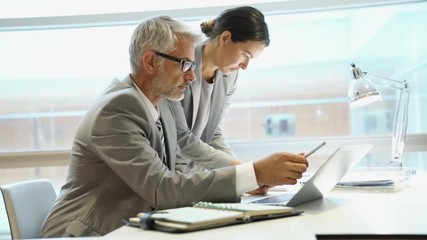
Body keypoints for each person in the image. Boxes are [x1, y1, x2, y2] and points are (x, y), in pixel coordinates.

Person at [40, 15, 308, 237]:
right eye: (184, 64)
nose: (192, 75)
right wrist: (254, 173)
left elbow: (173, 178)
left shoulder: (160, 105)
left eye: (192, 64)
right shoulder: (118, 109)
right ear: (149, 62)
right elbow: (163, 189)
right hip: (86, 234)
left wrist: (247, 179)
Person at [173, 6, 269, 163]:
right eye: (245, 55)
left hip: (194, 171)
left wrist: (243, 173)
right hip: (169, 170)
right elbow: (180, 137)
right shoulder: (181, 65)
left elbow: (213, 132)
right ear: (225, 38)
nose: (245, 66)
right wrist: (243, 172)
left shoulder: (230, 76)